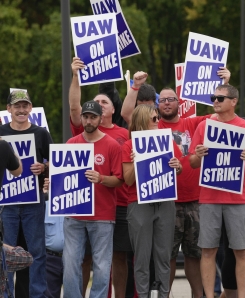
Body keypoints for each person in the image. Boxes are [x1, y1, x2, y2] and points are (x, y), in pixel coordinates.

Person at [189, 84, 245, 298]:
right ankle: (209, 295)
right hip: (209, 198)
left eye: (220, 98)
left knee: (241, 251)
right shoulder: (204, 127)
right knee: (208, 250)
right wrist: (199, 154)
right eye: (213, 97)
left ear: (233, 102)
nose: (215, 101)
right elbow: (193, 162)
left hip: (238, 199)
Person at [69, 57, 132, 298]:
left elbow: (125, 172)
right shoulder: (81, 132)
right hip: (82, 209)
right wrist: (75, 75)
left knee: (116, 258)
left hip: (118, 205)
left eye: (103, 102)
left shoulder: (123, 135)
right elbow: (74, 108)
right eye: (95, 103)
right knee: (81, 260)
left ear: (112, 109)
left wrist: (134, 87)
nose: (99, 105)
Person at [156, 86, 216, 298]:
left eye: (171, 99)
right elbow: (129, 116)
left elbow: (219, 114)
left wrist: (223, 82)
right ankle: (165, 294)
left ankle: (197, 295)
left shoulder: (192, 123)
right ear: (157, 104)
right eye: (162, 100)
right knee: (168, 255)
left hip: (195, 201)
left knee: (195, 254)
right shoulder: (153, 128)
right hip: (167, 202)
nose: (166, 103)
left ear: (179, 103)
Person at [61, 100, 123, 298]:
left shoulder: (112, 145)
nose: (88, 120)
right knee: (70, 263)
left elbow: (119, 180)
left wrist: (101, 178)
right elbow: (63, 179)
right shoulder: (71, 144)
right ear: (81, 118)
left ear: (100, 118)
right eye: (85, 116)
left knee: (103, 265)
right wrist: (52, 185)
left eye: (93, 117)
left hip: (103, 215)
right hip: (74, 215)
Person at [122, 104, 183, 298]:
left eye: (158, 118)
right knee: (141, 257)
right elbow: (128, 179)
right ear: (142, 121)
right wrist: (135, 161)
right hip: (139, 204)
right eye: (154, 119)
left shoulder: (167, 141)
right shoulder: (129, 145)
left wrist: (177, 165)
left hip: (165, 202)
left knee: (164, 256)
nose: (159, 121)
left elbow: (179, 169)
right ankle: (143, 295)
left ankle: (164, 295)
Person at [0, 90, 52, 297]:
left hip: (34, 201)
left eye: (25, 106)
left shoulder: (41, 133)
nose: (21, 110)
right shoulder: (1, 133)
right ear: (9, 109)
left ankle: (37, 295)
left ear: (30, 108)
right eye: (17, 106)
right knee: (6, 255)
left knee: (37, 253)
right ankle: (6, 294)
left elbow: (55, 163)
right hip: (7, 203)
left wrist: (44, 168)